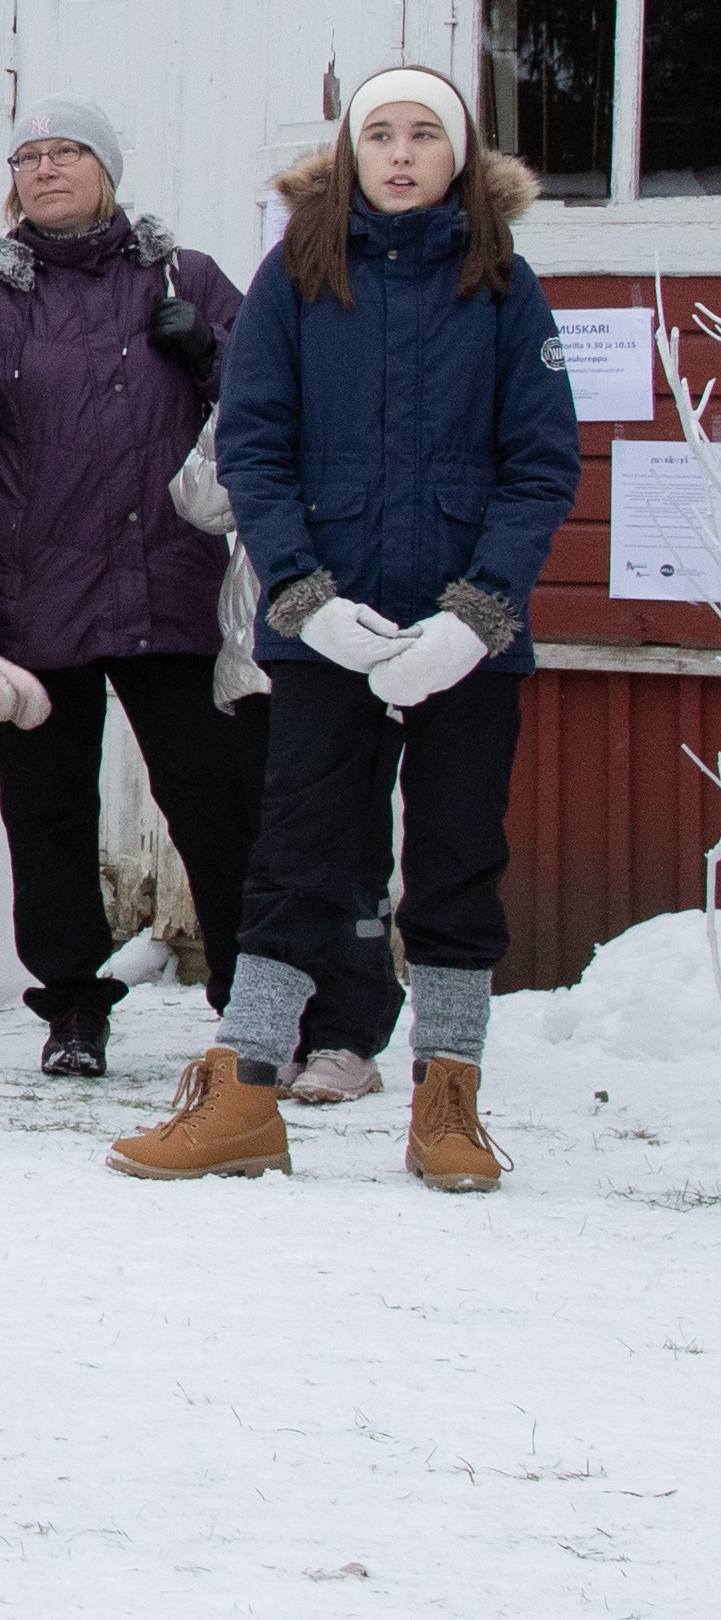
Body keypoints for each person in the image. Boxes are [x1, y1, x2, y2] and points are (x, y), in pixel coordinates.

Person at [108, 68, 579, 1196]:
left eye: (426, 134)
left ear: (459, 155)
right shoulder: (294, 280)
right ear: (351, 150)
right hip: (323, 633)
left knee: (459, 858)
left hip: (470, 636)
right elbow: (254, 452)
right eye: (383, 133)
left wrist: (476, 616)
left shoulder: (506, 286)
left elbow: (542, 464)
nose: (404, 153)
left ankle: (448, 1099)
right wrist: (307, 599)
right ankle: (244, 1091)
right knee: (297, 858)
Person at [0, 97, 393, 1081]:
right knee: (44, 816)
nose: (47, 170)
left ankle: (252, 1003)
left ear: (107, 170)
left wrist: (207, 354)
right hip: (31, 607)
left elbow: (276, 414)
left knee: (220, 808)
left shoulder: (190, 279)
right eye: (30, 157)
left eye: (68, 152)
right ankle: (74, 1008)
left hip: (171, 593)